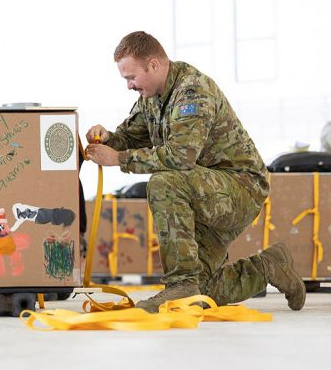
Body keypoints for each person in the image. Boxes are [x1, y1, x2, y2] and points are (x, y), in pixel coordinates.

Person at [85, 31, 305, 313]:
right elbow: (129, 138)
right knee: (203, 292)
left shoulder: (192, 91)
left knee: (164, 182)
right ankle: (269, 266)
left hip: (240, 188)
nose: (129, 85)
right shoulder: (151, 96)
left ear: (153, 65)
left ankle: (180, 285)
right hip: (203, 192)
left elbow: (180, 156)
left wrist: (118, 158)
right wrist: (107, 139)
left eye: (131, 77)